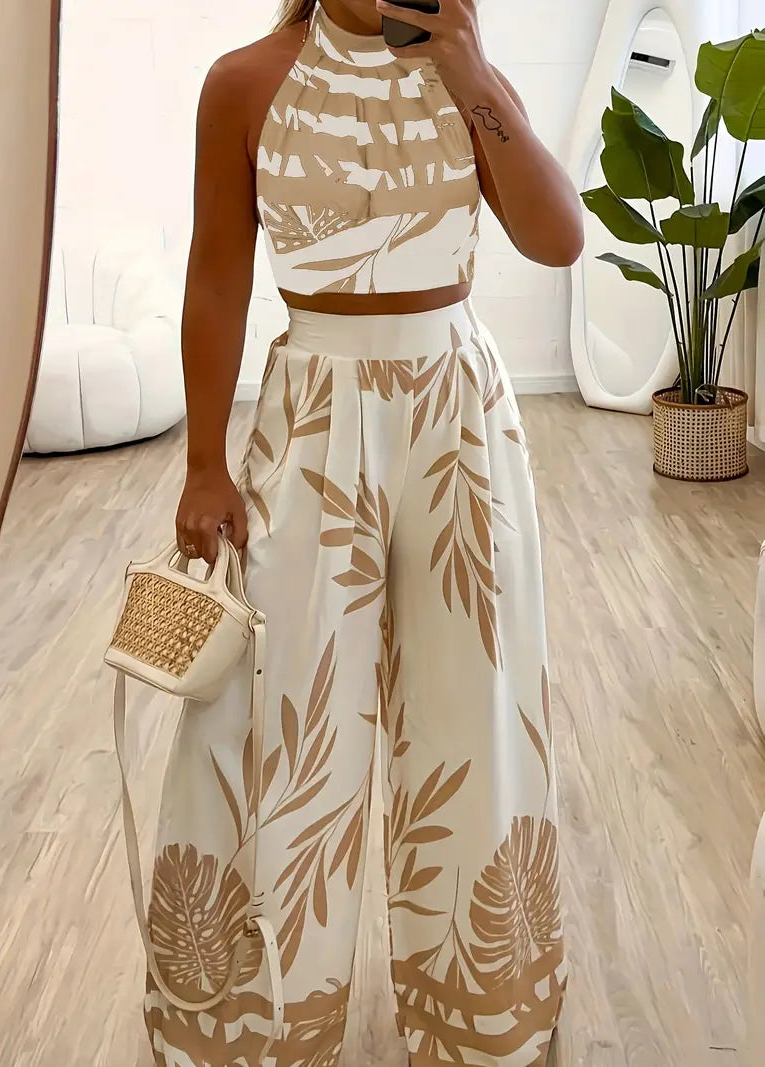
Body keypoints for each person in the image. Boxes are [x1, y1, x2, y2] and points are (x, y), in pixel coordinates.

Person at [145, 1, 583, 1064]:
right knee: (279, 719)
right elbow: (216, 273)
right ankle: (263, 1025)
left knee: (474, 712)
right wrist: (203, 460)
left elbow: (557, 236)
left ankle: (479, 1018)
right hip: (311, 418)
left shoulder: (462, 69)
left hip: (458, 419)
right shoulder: (245, 82)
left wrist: (470, 75)